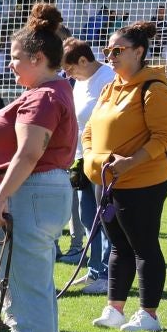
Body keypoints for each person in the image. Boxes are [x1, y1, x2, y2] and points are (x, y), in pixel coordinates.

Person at [0, 4, 78, 332]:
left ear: (37, 57)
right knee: (32, 284)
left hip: (25, 195)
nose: (11, 66)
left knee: (22, 286)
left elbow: (29, 153)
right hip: (35, 194)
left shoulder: (43, 96)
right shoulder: (50, 90)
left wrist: (2, 197)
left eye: (16, 59)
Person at [84, 18, 167, 332]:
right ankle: (115, 308)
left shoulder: (154, 88)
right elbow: (90, 131)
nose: (111, 55)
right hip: (107, 181)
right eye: (108, 49)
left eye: (118, 49)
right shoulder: (110, 87)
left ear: (139, 51)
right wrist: (94, 162)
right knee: (118, 245)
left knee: (144, 246)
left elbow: (164, 137)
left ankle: (149, 315)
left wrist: (130, 162)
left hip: (143, 182)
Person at [59, 39, 115, 288]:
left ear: (83, 60)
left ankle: (107, 274)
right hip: (82, 158)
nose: (68, 74)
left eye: (70, 69)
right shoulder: (79, 84)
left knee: (105, 217)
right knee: (87, 214)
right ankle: (94, 268)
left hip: (104, 158)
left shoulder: (108, 77)